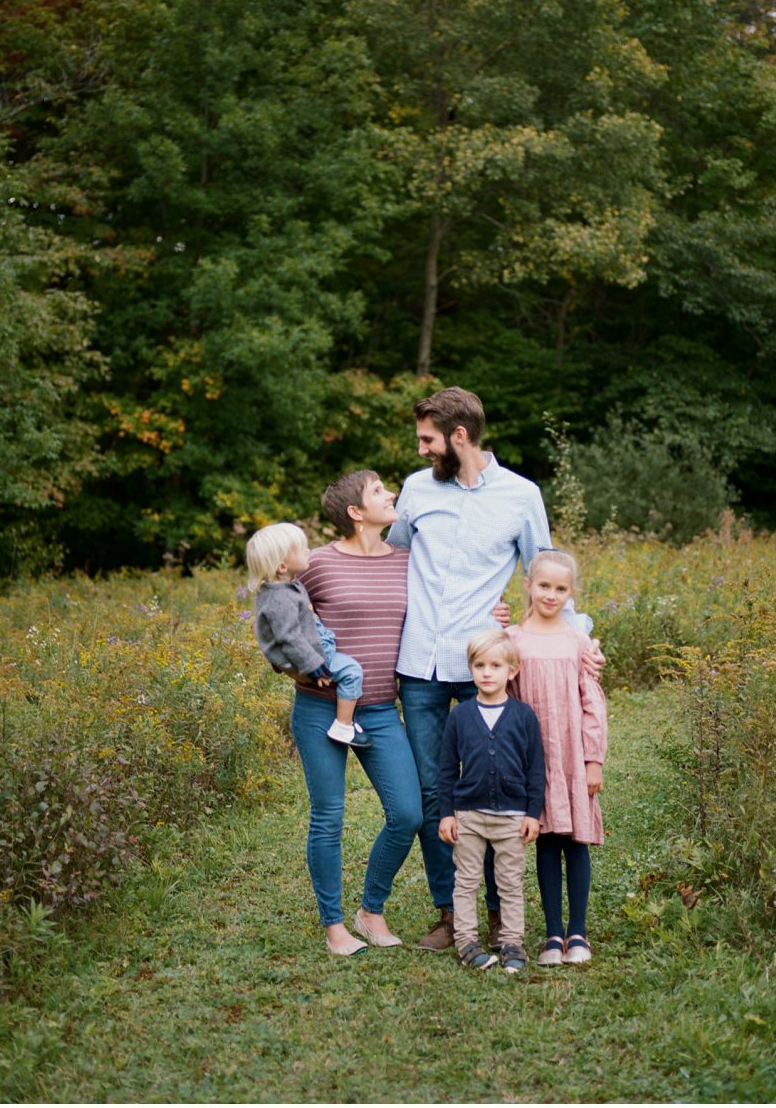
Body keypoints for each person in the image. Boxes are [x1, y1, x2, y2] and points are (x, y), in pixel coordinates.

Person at [386, 385, 604, 950]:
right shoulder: (414, 491)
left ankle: (498, 909)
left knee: (495, 786)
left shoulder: (521, 495)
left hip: (487, 661)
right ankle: (450, 915)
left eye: (428, 440)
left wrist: (578, 639)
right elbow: (391, 563)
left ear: (459, 437)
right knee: (439, 794)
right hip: (419, 666)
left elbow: (546, 572)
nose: (420, 450)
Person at [290, 471, 423, 956]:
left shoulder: (407, 563)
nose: (391, 495)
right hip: (319, 710)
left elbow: (441, 608)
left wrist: (493, 616)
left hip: (382, 710)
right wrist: (296, 668)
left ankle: (372, 909)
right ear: (355, 511)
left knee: (408, 813)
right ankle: (334, 927)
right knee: (329, 817)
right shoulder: (317, 564)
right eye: (378, 491)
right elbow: (278, 617)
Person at [507, 549, 608, 966]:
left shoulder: (578, 642)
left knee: (575, 840)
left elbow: (592, 702)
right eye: (544, 586)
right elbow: (506, 701)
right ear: (528, 586)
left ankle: (578, 932)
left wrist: (593, 760)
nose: (551, 595)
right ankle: (552, 935)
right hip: (534, 758)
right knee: (546, 840)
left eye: (561, 588)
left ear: (571, 593)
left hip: (571, 753)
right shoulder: (513, 639)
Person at [437, 630, 544, 973]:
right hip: (469, 815)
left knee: (510, 881)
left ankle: (512, 941)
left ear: (511, 671)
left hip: (512, 816)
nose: (486, 672)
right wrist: (446, 814)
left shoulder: (524, 716)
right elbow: (446, 769)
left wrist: (532, 812)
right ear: (471, 669)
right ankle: (466, 940)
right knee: (466, 880)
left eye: (495, 665)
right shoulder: (460, 716)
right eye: (479, 665)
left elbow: (536, 768)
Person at [246, 522, 371, 749]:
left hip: (313, 647)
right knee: (352, 672)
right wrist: (314, 666)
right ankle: (344, 725)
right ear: (282, 566)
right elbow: (288, 638)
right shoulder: (279, 598)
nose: (308, 551)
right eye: (301, 549)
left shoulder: (286, 586)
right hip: (311, 655)